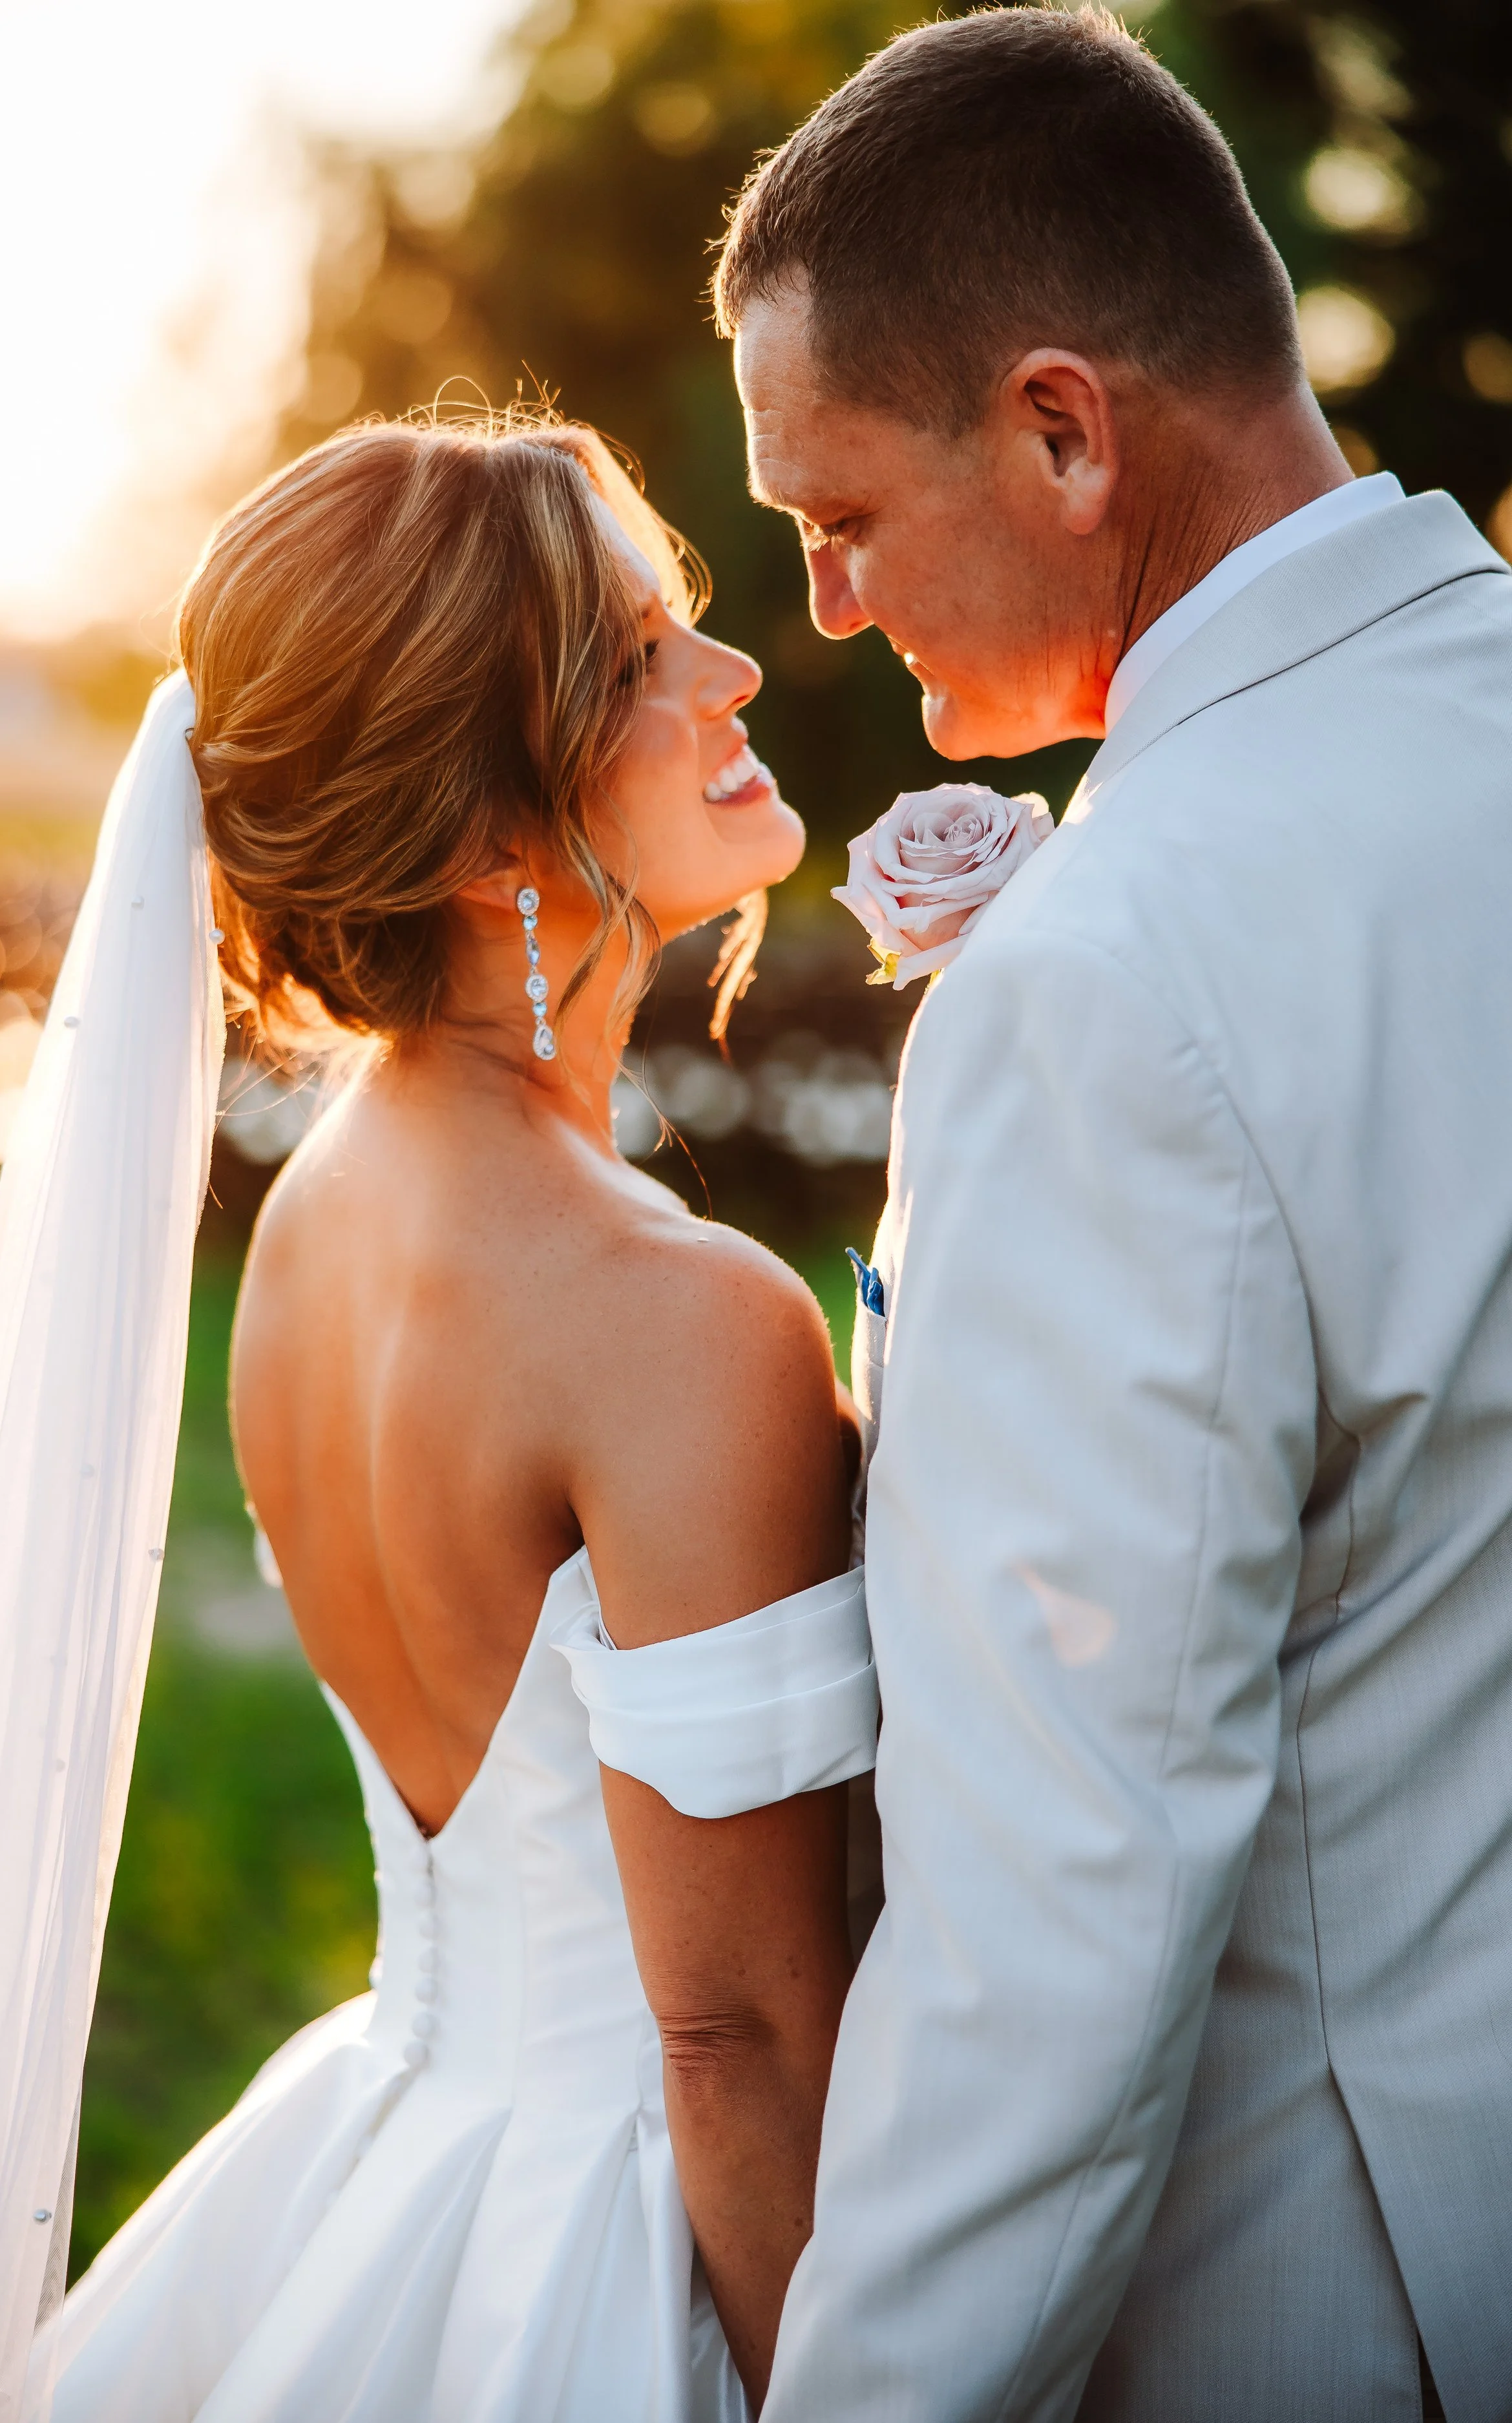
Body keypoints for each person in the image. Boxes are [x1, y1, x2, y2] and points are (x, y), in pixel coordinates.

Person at [0, 412, 879, 2421]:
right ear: (466, 837)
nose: (735, 672)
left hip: (399, 2153)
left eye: (685, 617)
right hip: (641, 2242)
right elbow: (738, 2032)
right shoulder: (678, 1317)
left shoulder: (316, 1220)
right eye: (630, 663)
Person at [717, 10, 1512, 2421]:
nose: (830, 609)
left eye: (836, 515)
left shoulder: (1105, 977)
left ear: (1063, 429)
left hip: (1335, 2284)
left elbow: (1057, 1910)